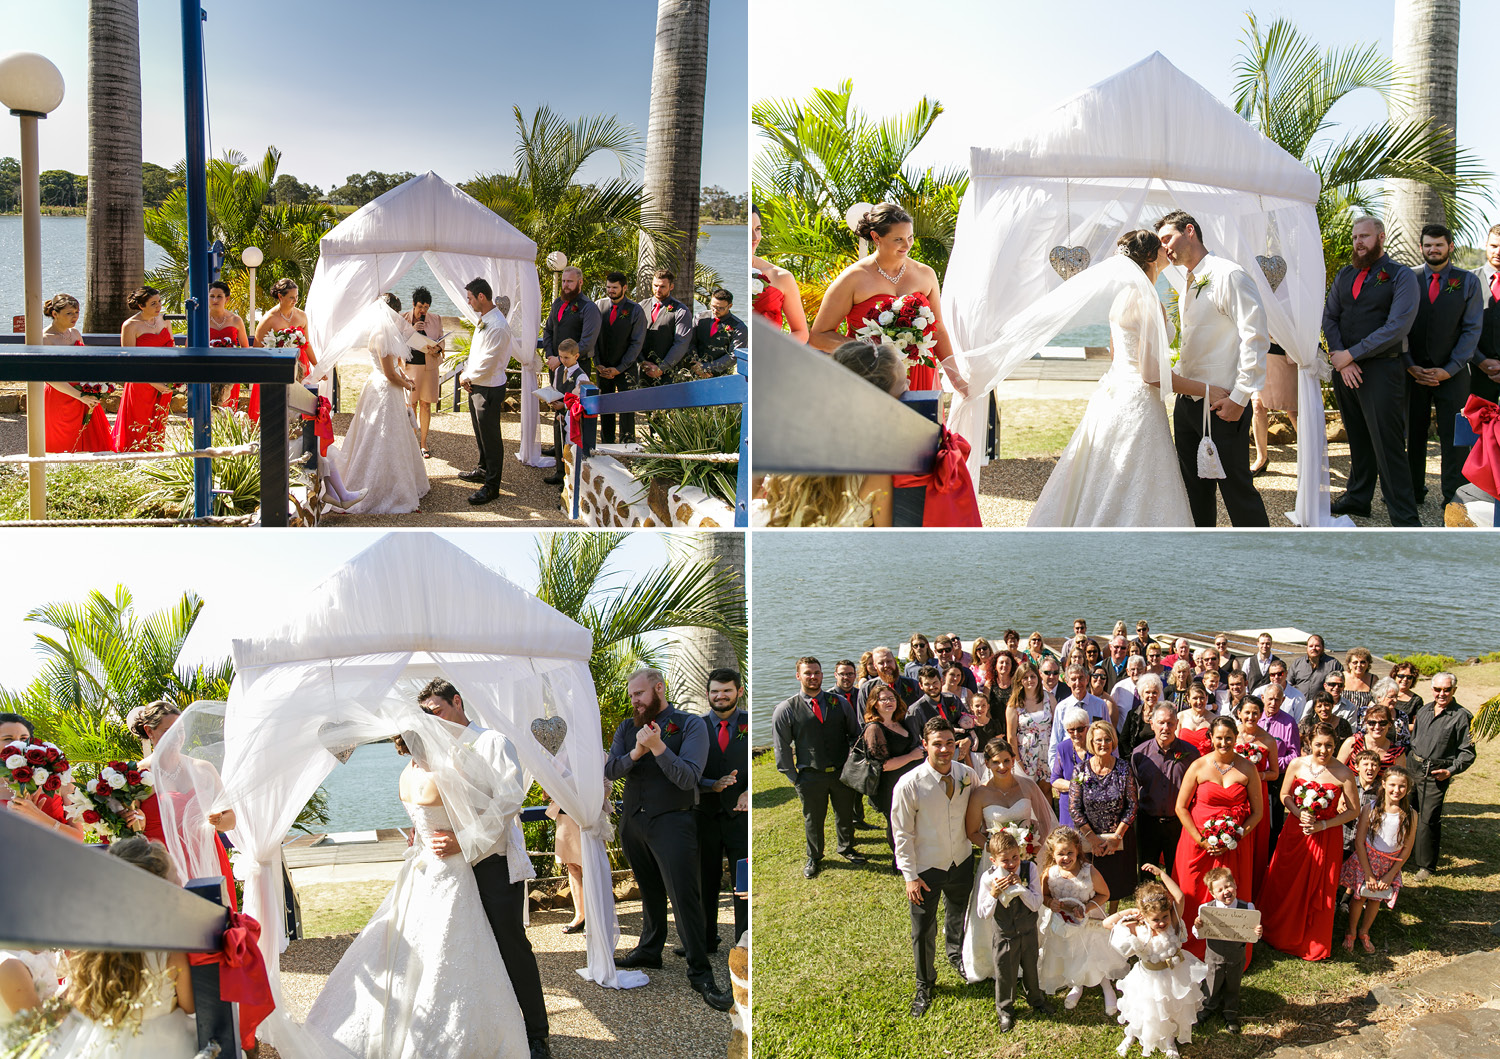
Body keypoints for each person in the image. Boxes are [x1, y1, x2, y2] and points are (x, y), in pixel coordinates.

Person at [306, 721, 532, 1059]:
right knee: (454, 949)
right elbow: (475, 817)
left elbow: (419, 822)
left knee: (412, 948)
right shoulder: (442, 776)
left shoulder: (405, 777)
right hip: (452, 869)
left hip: (420, 868)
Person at [417, 681, 559, 1046]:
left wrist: (463, 842)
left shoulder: (492, 742)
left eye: (438, 710)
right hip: (454, 873)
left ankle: (537, 1035)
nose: (435, 719)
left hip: (493, 864)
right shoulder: (438, 753)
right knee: (474, 953)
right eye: (428, 716)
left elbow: (510, 800)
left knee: (511, 946)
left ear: (457, 701)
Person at [603, 669, 733, 1010]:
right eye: (632, 695)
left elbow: (687, 777)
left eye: (640, 694)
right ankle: (650, 949)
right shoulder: (626, 728)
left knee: (683, 896)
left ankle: (700, 971)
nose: (635, 701)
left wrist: (658, 745)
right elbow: (611, 769)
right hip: (633, 822)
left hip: (673, 822)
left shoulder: (691, 725)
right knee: (648, 889)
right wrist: (637, 752)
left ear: (659, 689)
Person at [1154, 211, 1271, 527]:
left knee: (1237, 491)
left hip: (1223, 406)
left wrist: (1240, 397)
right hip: (1187, 405)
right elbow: (1194, 345)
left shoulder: (1230, 275)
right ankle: (1203, 559)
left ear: (1189, 231)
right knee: (1194, 492)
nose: (1164, 247)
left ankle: (1264, 563)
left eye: (1168, 238)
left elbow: (1256, 337)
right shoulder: (1187, 283)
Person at [48, 837, 198, 1058]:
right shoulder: (170, 949)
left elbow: (80, 1000)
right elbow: (189, 1006)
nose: (180, 881)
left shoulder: (90, 943)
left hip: (103, 1041)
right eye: (174, 875)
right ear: (159, 890)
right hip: (165, 1044)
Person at [1321, 215, 1421, 524]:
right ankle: (1358, 497)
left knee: (1387, 444)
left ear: (1380, 237)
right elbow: (1329, 317)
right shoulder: (1345, 275)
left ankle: (1404, 516)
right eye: (1355, 238)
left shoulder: (1401, 276)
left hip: (1381, 369)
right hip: (1345, 369)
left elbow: (1397, 326)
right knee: (1358, 437)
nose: (1358, 242)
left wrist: (1351, 354)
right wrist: (1341, 356)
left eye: (1364, 236)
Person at [809, 204, 967, 395]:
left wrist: (956, 378)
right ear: (876, 237)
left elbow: (938, 330)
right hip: (871, 374)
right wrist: (869, 348)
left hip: (921, 372)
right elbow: (818, 336)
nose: (907, 245)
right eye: (898, 239)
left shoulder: (925, 274)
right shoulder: (853, 279)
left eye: (910, 237)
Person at [752, 341, 905, 526]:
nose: (909, 388)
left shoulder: (794, 439)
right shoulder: (876, 469)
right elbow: (884, 537)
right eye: (904, 386)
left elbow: (753, 490)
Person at [890, 719, 977, 1017]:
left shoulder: (967, 775)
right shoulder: (909, 785)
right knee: (922, 930)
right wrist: (910, 876)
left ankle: (957, 956)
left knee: (958, 915)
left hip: (962, 861)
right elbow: (902, 833)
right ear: (924, 745)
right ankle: (924, 983)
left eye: (949, 743)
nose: (944, 749)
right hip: (926, 869)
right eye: (937, 743)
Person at [315, 294, 428, 514]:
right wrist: (407, 385)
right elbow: (389, 374)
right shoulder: (381, 335)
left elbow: (396, 367)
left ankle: (398, 481)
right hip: (384, 389)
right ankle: (380, 487)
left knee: (395, 437)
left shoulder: (387, 332)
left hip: (386, 387)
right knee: (380, 437)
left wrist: (406, 376)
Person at [961, 737, 1058, 983]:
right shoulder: (980, 794)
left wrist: (1034, 847)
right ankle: (994, 961)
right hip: (994, 863)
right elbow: (972, 831)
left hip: (1027, 857)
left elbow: (1045, 822)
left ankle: (1030, 959)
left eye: (1007, 760)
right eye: (996, 762)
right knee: (999, 909)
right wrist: (996, 853)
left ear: (1013, 760)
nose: (1003, 766)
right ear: (987, 764)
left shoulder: (1027, 786)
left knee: (1026, 906)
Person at [1262, 722, 1361, 962]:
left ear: (1335, 745)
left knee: (1317, 884)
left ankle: (1309, 938)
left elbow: (1354, 811)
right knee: (1285, 877)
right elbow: (1284, 795)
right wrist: (1298, 812)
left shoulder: (1344, 773)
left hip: (1326, 835)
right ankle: (1277, 928)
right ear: (1309, 743)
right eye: (1318, 745)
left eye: (1329, 746)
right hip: (1295, 831)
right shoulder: (1297, 764)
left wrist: (1324, 824)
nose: (1323, 750)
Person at [122, 700, 236, 901]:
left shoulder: (203, 769)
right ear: (150, 732)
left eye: (180, 731)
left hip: (207, 860)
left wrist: (218, 820)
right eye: (168, 731)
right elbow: (131, 829)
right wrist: (134, 819)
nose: (176, 738)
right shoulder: (137, 774)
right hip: (163, 866)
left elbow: (231, 820)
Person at [1174, 717, 1263, 962]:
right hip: (1198, 843)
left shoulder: (1247, 768)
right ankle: (1191, 946)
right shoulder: (1198, 766)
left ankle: (1229, 949)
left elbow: (1258, 813)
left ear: (1236, 737)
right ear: (1211, 738)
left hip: (1233, 845)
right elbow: (1181, 808)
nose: (1223, 742)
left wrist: (1236, 836)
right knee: (1194, 891)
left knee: (1229, 893)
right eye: (1219, 738)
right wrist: (1202, 840)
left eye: (1229, 738)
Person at [1406, 223, 1482, 506]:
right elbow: (1398, 326)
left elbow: (1472, 330)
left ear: (1450, 247)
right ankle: (1412, 491)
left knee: (1454, 440)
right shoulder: (1408, 278)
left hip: (1454, 374)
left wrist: (1449, 369)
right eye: (1427, 245)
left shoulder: (1468, 282)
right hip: (1414, 373)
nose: (1432, 250)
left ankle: (1454, 496)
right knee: (1413, 435)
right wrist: (1410, 365)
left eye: (1438, 245)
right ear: (1421, 247)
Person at [772, 657, 865, 878]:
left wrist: (853, 767)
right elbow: (781, 747)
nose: (813, 677)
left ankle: (846, 847)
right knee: (813, 818)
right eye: (807, 673)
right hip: (809, 775)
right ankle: (814, 856)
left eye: (817, 672)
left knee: (844, 813)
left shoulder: (839, 703)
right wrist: (794, 777)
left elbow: (855, 736)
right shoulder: (786, 709)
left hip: (842, 772)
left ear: (822, 675)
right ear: (798, 676)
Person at [1105, 866, 1207, 1059]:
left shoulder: (1174, 923)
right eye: (1155, 919)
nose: (1161, 923)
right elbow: (1107, 923)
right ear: (1144, 917)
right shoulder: (1138, 928)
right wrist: (1128, 911)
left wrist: (1162, 875)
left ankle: (1169, 1042)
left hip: (1173, 977)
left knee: (1170, 1010)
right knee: (1143, 1009)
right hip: (1147, 980)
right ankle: (1132, 1034)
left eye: (1164, 917)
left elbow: (1180, 897)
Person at [1036, 826, 1127, 1014]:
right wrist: (1050, 903)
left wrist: (1087, 907)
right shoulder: (1049, 873)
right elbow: (1043, 896)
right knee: (1071, 954)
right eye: (1061, 854)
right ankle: (1077, 984)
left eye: (1070, 852)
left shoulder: (1088, 871)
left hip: (1089, 920)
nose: (1066, 858)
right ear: (1053, 854)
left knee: (1094, 953)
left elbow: (1105, 894)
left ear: (1078, 850)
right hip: (1064, 924)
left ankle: (1106, 986)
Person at [974, 828, 1053, 1032]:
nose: (1011, 864)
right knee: (1005, 973)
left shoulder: (1029, 869)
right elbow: (983, 913)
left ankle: (1035, 999)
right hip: (1005, 935)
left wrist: (1022, 889)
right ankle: (1005, 1009)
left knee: (1031, 967)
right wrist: (993, 893)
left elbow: (1037, 903)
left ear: (1021, 853)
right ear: (993, 861)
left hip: (1028, 931)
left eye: (1015, 857)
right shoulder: (987, 879)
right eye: (1005, 860)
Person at [696, 668, 749, 950]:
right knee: (705, 880)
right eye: (715, 691)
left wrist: (749, 791)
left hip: (741, 818)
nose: (720, 696)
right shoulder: (696, 726)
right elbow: (688, 770)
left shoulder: (749, 724)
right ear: (708, 695)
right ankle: (705, 939)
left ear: (738, 692)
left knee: (743, 882)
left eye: (727, 690)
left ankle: (744, 940)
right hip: (704, 815)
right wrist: (710, 784)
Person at [1406, 671, 1476, 880]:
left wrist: (1451, 771)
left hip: (1436, 774)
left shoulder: (1462, 716)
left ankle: (1426, 865)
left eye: (1447, 690)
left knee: (1428, 819)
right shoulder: (1425, 709)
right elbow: (1414, 738)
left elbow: (1467, 752)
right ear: (1432, 689)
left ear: (1454, 690)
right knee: (1407, 813)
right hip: (1413, 768)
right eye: (1438, 689)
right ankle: (1404, 854)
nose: (1442, 694)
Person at [1340, 765, 1417, 954]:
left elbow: (1407, 848)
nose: (1396, 790)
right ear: (1383, 784)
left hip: (1389, 864)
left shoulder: (1411, 815)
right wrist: (1368, 872)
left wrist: (1390, 875)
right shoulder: (1370, 809)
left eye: (1402, 786)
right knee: (1359, 897)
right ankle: (1350, 931)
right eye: (1392, 785)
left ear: (1407, 788)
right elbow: (1359, 841)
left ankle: (1364, 932)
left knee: (1375, 899)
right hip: (1366, 860)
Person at [457, 278, 517, 505]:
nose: (469, 302)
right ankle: (483, 469)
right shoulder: (484, 319)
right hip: (477, 384)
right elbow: (477, 354)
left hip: (489, 387)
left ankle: (492, 486)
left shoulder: (499, 326)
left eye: (470, 298)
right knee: (480, 432)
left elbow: (489, 362)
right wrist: (467, 373)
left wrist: (467, 376)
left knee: (491, 437)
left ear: (481, 296)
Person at [1070, 721, 1138, 911]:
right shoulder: (1080, 770)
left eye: (1108, 739)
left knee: (1116, 884)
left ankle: (1113, 915)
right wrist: (1091, 838)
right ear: (1091, 742)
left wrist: (1117, 837)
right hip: (1090, 840)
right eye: (1098, 740)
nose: (1103, 744)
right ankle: (1093, 919)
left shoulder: (1124, 769)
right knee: (1090, 886)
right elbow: (1075, 808)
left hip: (1119, 838)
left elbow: (1132, 805)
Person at [41, 293, 114, 453]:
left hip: (85, 393)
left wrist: (97, 386)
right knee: (63, 444)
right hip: (61, 396)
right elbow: (49, 377)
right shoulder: (46, 338)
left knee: (92, 444)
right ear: (55, 314)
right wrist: (78, 395)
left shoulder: (74, 333)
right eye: (69, 313)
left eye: (76, 312)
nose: (74, 317)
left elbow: (85, 363)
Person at [1131, 702, 1197, 878]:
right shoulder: (1139, 754)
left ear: (1177, 724)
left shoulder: (1191, 754)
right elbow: (1134, 788)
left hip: (1178, 823)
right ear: (1152, 724)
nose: (1165, 728)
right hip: (1148, 822)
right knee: (1146, 873)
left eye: (1170, 723)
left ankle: (1177, 905)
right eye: (1161, 722)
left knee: (1178, 873)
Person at [1191, 865, 1260, 1035]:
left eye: (1228, 886)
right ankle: (1207, 1007)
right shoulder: (1206, 909)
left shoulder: (1248, 908)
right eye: (1220, 889)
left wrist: (1257, 932)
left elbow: (1252, 935)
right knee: (1211, 983)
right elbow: (1198, 935)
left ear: (1235, 885)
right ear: (1213, 894)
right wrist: (1198, 926)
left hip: (1236, 956)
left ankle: (1230, 1012)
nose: (1226, 891)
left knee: (1233, 984)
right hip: (1214, 956)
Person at [862, 681, 925, 860]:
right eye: (883, 699)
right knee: (896, 823)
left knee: (912, 818)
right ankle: (900, 860)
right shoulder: (874, 728)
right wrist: (912, 756)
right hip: (890, 784)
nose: (889, 702)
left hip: (909, 780)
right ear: (874, 703)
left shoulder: (900, 722)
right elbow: (884, 765)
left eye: (892, 698)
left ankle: (917, 853)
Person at [112, 286, 178, 452]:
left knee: (158, 423)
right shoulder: (130, 326)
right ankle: (132, 458)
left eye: (159, 302)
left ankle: (154, 459)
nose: (159, 306)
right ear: (141, 306)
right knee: (138, 424)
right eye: (153, 303)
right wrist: (154, 382)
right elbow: (130, 361)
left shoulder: (165, 319)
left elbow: (172, 346)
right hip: (140, 381)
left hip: (163, 379)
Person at [0, 712, 85, 840]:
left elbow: (78, 837)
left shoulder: (60, 781)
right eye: (8, 739)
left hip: (54, 857)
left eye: (23, 739)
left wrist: (37, 816)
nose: (17, 744)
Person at [590, 271, 645, 446]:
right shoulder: (599, 305)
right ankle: (607, 443)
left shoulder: (636, 310)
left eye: (614, 287)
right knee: (605, 406)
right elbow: (593, 337)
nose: (611, 291)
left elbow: (637, 343)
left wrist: (620, 368)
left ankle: (627, 444)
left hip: (626, 368)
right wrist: (597, 363)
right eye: (608, 287)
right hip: (603, 368)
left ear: (625, 288)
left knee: (626, 407)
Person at [1233, 697, 1281, 893]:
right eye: (1247, 712)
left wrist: (1256, 775)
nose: (1251, 717)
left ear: (1261, 715)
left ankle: (1251, 886)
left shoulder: (1268, 740)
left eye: (1255, 713)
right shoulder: (1232, 735)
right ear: (1239, 713)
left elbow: (1275, 773)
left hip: (1257, 791)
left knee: (1254, 836)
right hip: (1234, 790)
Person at [750, 204, 810, 342]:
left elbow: (801, 333)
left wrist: (771, 351)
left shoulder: (781, 277)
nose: (755, 237)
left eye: (758, 229)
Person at [401, 286, 445, 458]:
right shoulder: (402, 318)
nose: (423, 311)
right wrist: (412, 328)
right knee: (411, 405)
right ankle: (412, 442)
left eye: (426, 307)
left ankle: (423, 443)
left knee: (426, 404)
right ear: (413, 304)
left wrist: (438, 349)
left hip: (429, 368)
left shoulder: (436, 319)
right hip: (410, 367)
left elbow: (441, 339)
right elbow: (396, 341)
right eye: (420, 307)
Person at [542, 339, 590, 487]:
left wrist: (564, 405)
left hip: (572, 417)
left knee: (569, 445)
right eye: (561, 357)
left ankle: (569, 477)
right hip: (559, 413)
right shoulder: (558, 370)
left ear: (576, 356)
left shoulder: (581, 377)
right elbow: (557, 388)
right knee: (558, 441)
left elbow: (581, 400)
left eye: (566, 358)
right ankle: (559, 472)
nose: (563, 360)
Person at [1049, 664, 1112, 773]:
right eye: (1073, 679)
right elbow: (1055, 741)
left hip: (1096, 763)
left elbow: (1110, 735)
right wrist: (1055, 773)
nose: (1077, 683)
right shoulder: (1061, 708)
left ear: (1087, 679)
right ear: (1067, 682)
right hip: (1069, 761)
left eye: (1081, 678)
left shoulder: (1100, 705)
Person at [638, 269, 694, 384]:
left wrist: (661, 368)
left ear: (671, 287)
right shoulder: (642, 306)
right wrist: (642, 362)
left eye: (663, 286)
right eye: (655, 285)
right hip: (641, 370)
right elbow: (633, 337)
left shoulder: (681, 311)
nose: (658, 289)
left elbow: (681, 343)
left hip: (668, 373)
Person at [542, 266, 600, 376]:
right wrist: (550, 356)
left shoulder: (589, 308)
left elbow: (587, 342)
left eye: (570, 281)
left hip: (577, 367)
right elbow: (548, 330)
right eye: (563, 281)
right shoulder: (557, 303)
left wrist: (561, 359)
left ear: (580, 282)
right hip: (555, 365)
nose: (565, 285)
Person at [206, 280, 251, 411]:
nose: (215, 299)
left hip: (231, 370)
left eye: (219, 296)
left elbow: (245, 347)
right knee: (207, 407)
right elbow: (189, 346)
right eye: (212, 296)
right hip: (207, 370)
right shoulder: (200, 319)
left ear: (227, 299)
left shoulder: (236, 320)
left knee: (228, 409)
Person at [1006, 662, 1053, 784]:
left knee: (1046, 788)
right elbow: (1011, 737)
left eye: (1033, 676)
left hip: (1047, 750)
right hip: (1026, 754)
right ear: (1019, 680)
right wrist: (1018, 761)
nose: (1030, 680)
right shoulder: (1014, 705)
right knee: (1027, 789)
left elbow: (1058, 725)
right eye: (1025, 678)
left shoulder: (1049, 698)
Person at [1337, 701, 1407, 777]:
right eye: (1372, 723)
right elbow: (1337, 770)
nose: (1377, 727)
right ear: (1366, 724)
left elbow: (1400, 779)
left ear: (1389, 724)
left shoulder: (1397, 753)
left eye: (1382, 723)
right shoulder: (1352, 743)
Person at [1049, 706, 1091, 829]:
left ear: (1087, 728)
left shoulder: (1096, 746)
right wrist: (1077, 785)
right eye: (1071, 730)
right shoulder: (1063, 748)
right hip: (1069, 805)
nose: (1076, 734)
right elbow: (1055, 780)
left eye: (1080, 729)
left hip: (1092, 806)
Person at [689, 289, 747, 375]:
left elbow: (733, 356)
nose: (715, 310)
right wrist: (696, 365)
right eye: (713, 306)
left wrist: (706, 367)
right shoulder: (700, 318)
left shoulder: (739, 327)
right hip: (694, 369)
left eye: (720, 308)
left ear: (730, 306)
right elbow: (690, 343)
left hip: (721, 374)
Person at [1288, 635, 1342, 700]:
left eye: (1317, 646)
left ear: (1323, 647)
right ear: (1307, 648)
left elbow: (1340, 686)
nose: (1313, 648)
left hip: (1322, 705)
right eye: (1311, 646)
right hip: (1299, 704)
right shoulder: (1297, 663)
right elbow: (1288, 684)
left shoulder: (1333, 664)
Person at [1253, 659, 1306, 723]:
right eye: (1272, 674)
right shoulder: (1258, 692)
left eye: (1280, 674)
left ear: (1286, 673)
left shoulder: (1298, 697)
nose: (1276, 677)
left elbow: (1298, 722)